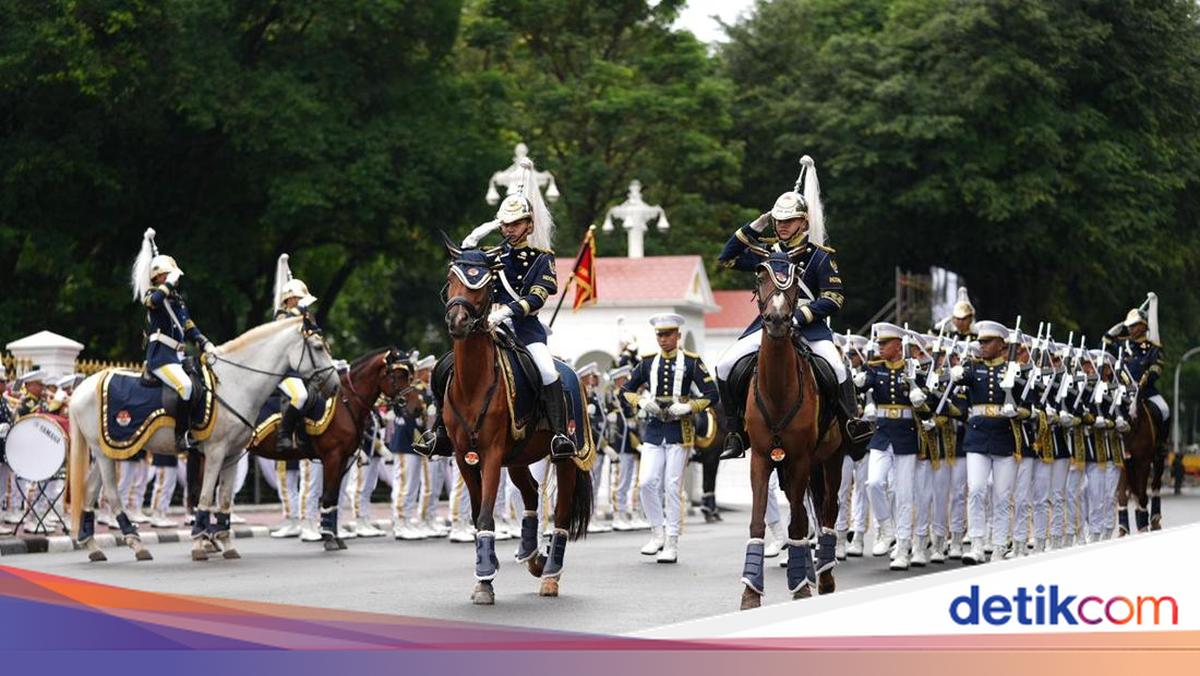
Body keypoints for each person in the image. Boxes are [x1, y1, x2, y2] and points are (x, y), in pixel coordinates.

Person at [418, 156, 574, 460]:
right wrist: (479, 233)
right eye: (505, 224)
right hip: (489, 327)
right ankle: (439, 431)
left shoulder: (543, 257)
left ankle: (558, 436)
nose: (509, 230)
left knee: (547, 370)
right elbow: (465, 263)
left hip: (525, 329)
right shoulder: (493, 254)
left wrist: (508, 311)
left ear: (529, 225)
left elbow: (540, 295)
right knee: (446, 367)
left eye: (515, 224)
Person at [714, 156, 870, 459]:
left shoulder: (820, 257)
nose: (783, 227)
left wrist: (800, 315)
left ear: (804, 222)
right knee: (724, 365)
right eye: (779, 221)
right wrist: (754, 226)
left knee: (838, 368)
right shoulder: (768, 253)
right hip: (768, 325)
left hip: (809, 328)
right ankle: (735, 430)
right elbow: (728, 258)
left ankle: (850, 426)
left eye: (789, 221)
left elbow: (834, 298)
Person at [620, 313, 718, 563]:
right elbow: (626, 390)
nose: (662, 340)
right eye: (659, 335)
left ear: (677, 335)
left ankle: (672, 541)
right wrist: (643, 401)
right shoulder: (647, 362)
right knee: (646, 483)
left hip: (679, 431)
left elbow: (711, 393)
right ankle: (657, 533)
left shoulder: (692, 362)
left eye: (667, 335)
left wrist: (689, 407)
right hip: (654, 429)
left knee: (672, 487)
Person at [131, 228, 215, 452]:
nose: (174, 281)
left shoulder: (177, 300)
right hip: (160, 357)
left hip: (177, 355)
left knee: (201, 384)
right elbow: (154, 301)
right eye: (169, 276)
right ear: (158, 277)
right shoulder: (153, 295)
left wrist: (204, 343)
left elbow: (188, 326)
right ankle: (180, 435)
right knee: (185, 386)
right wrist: (167, 285)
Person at [856, 323, 927, 570]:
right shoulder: (875, 369)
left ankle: (903, 549)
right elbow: (862, 386)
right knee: (873, 482)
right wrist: (860, 381)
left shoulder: (912, 370)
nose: (880, 347)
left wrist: (918, 389)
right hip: (883, 434)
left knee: (904, 493)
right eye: (879, 343)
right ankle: (886, 528)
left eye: (884, 343)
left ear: (898, 346)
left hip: (905, 436)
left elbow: (926, 402)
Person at [951, 320, 1023, 564]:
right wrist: (955, 374)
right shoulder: (973, 367)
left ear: (1002, 345)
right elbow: (961, 381)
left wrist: (1018, 409)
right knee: (977, 490)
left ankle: (1000, 545)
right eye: (980, 341)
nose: (981, 345)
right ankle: (978, 543)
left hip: (1004, 436)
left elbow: (1028, 404)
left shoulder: (1014, 369)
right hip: (978, 434)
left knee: (1002, 496)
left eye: (987, 341)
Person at [272, 254, 319, 453]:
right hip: (285, 370)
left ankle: (304, 433)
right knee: (299, 396)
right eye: (300, 299)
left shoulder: (307, 317)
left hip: (306, 369)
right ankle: (285, 432)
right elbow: (283, 332)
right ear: (290, 299)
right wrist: (298, 313)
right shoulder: (283, 316)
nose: (304, 304)